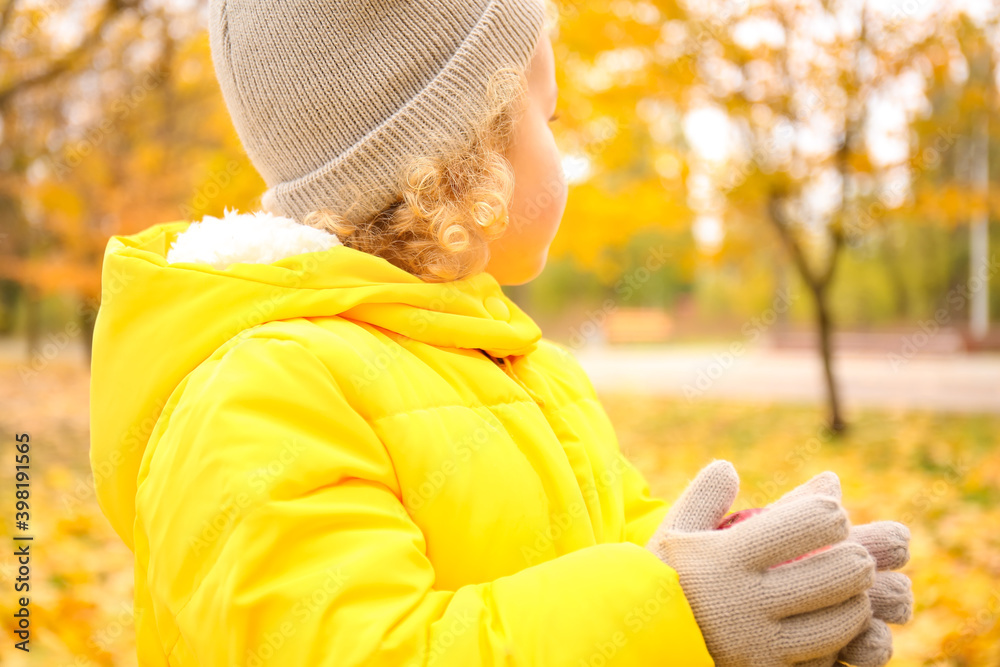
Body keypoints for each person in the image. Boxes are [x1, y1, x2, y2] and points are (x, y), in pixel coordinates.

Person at [88, 1, 912, 664]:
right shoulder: (259, 393)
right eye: (550, 116)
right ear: (463, 158)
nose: (570, 152)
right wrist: (675, 616)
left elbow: (601, 540)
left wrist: (747, 569)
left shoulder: (520, 362)